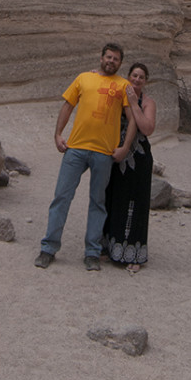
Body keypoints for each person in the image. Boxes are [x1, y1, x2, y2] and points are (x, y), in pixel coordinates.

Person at [34, 43, 134, 272]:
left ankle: (92, 252)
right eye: (108, 57)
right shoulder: (83, 78)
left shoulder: (123, 85)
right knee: (61, 197)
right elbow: (68, 106)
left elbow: (132, 118)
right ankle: (48, 248)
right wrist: (58, 134)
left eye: (116, 59)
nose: (111, 61)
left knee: (98, 203)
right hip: (76, 148)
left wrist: (125, 147)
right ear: (101, 58)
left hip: (104, 153)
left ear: (120, 63)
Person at [102, 61, 156, 274]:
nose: (136, 80)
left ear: (145, 81)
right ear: (128, 76)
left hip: (138, 158)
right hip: (116, 156)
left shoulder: (148, 102)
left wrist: (134, 104)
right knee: (113, 199)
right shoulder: (118, 96)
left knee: (136, 203)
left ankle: (133, 253)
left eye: (141, 77)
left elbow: (147, 128)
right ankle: (109, 246)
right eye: (134, 75)